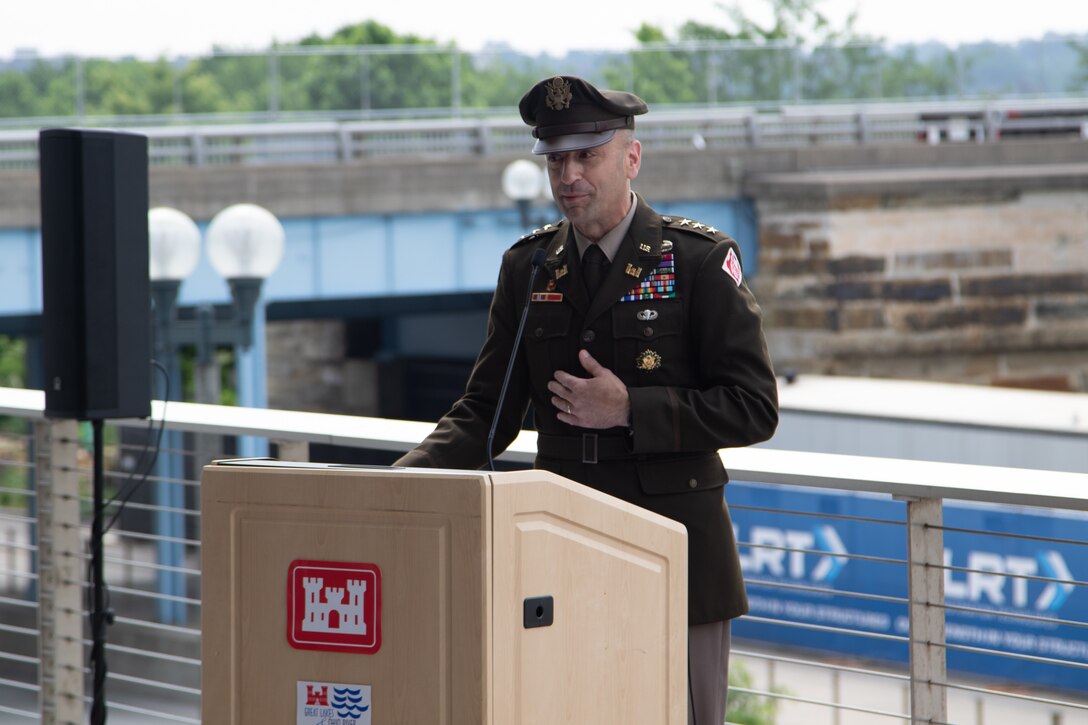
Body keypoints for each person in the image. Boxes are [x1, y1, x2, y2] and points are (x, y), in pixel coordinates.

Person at [395, 75, 779, 725]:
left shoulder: (698, 262)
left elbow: (753, 406)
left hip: (676, 560)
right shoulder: (530, 266)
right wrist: (401, 481)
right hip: (565, 554)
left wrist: (632, 407)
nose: (568, 174)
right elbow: (487, 410)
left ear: (630, 158)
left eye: (586, 156)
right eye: (556, 159)